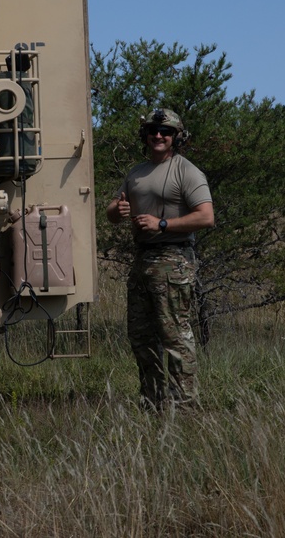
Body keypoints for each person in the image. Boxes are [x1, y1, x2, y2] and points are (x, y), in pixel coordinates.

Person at [106, 108, 214, 409]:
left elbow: (206, 217)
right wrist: (119, 210)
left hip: (173, 259)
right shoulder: (136, 172)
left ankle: (184, 406)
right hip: (143, 261)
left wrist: (162, 224)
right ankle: (153, 403)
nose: (158, 135)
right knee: (140, 337)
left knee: (174, 337)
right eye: (153, 130)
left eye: (165, 132)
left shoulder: (187, 171)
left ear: (176, 137)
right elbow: (114, 211)